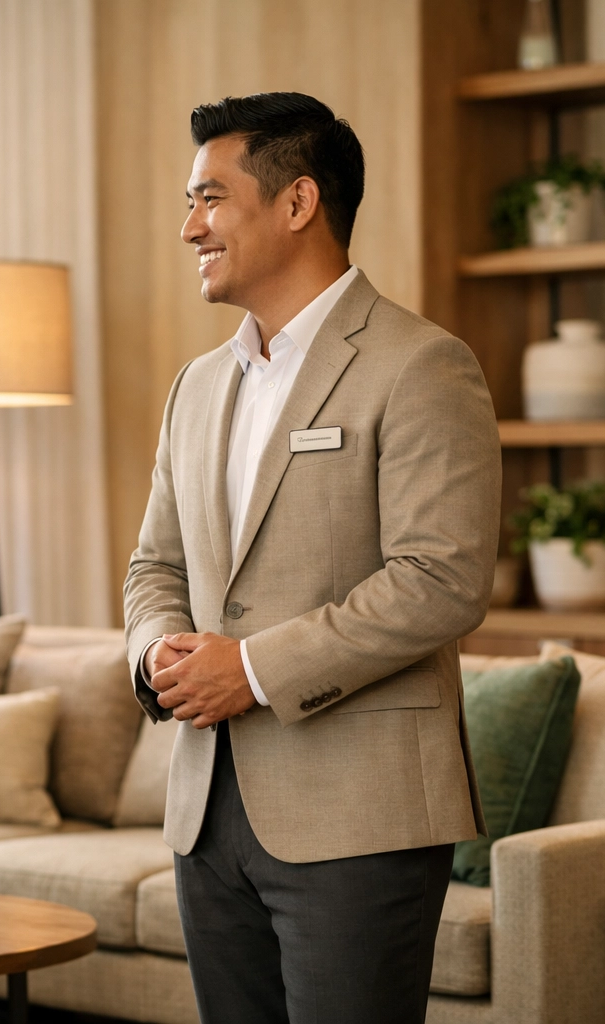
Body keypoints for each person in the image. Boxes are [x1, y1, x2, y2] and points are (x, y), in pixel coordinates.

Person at [124, 93, 498, 1023]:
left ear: (297, 202)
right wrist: (158, 652)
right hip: (208, 814)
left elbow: (439, 580)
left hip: (361, 817)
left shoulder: (423, 364)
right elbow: (154, 566)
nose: (189, 227)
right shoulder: (197, 384)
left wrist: (248, 670)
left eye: (210, 198)